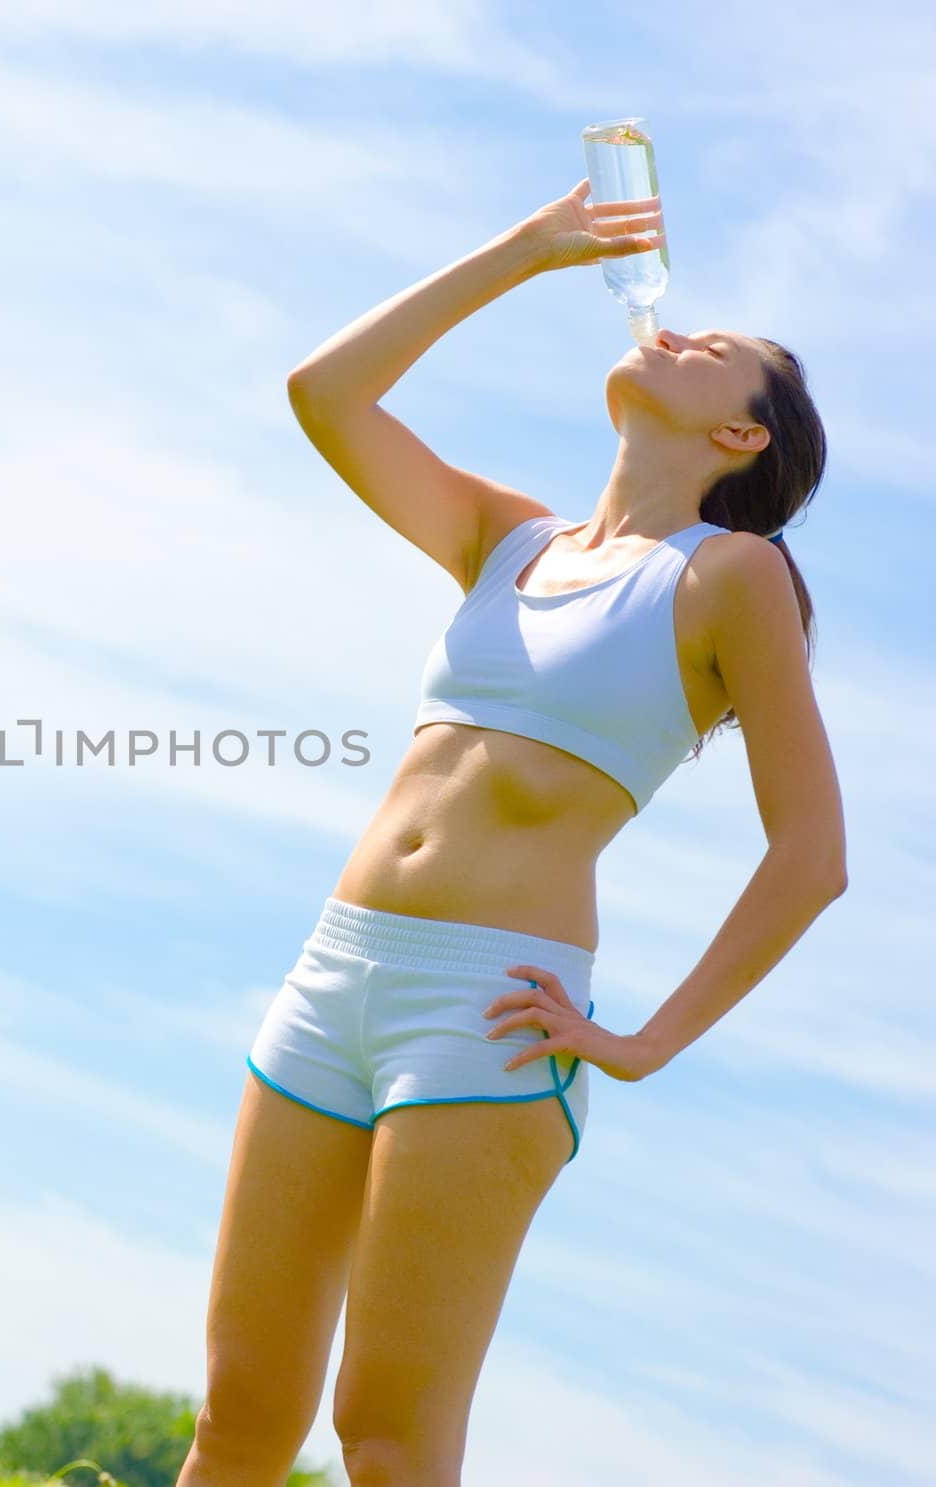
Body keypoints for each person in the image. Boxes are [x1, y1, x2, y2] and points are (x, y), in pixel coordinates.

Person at [175, 178, 849, 1487]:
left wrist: (642, 1043)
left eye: (723, 354)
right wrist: (524, 251)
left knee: (388, 1437)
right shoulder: (508, 539)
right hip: (335, 975)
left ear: (737, 439)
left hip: (489, 1013)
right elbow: (327, 394)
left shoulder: (728, 578)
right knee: (241, 1415)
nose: (683, 332)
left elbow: (812, 856)